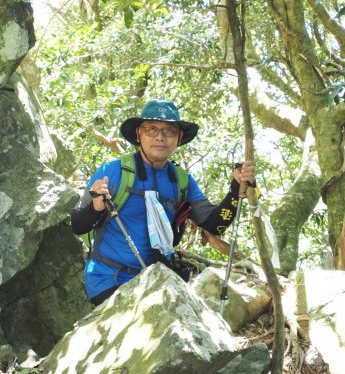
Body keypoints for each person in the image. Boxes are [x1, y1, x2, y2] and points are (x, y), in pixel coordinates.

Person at [71, 99, 255, 306]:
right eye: (151, 129)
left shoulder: (182, 181)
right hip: (108, 280)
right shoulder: (112, 172)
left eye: (169, 131)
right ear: (139, 134)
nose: (160, 137)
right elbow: (78, 225)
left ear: (179, 137)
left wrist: (234, 190)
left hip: (158, 281)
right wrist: (96, 207)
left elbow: (214, 224)